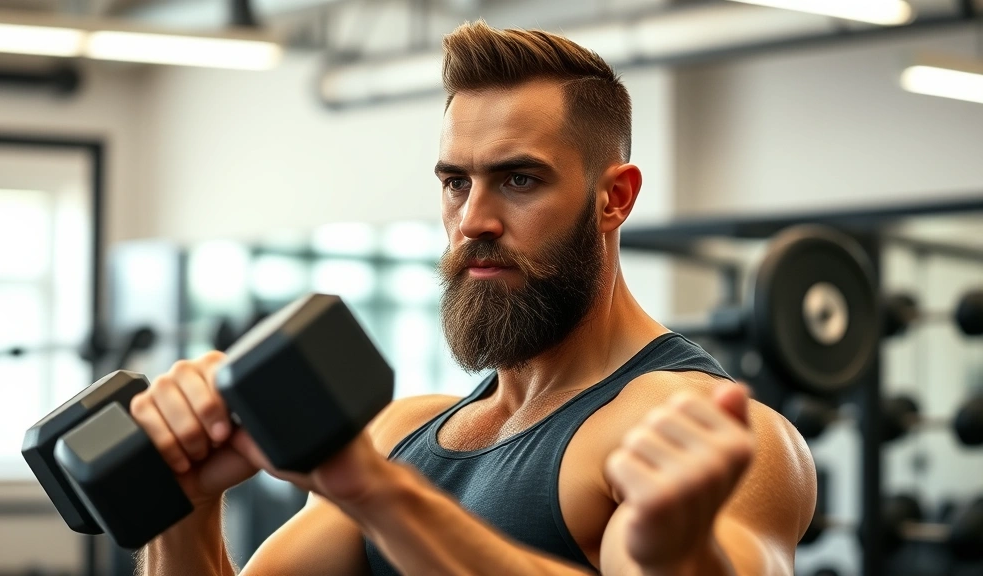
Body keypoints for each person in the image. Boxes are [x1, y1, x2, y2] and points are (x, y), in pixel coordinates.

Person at [132, 20, 816, 576]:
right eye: (456, 183)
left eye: (519, 181)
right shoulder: (397, 434)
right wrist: (184, 500)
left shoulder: (705, 428)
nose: (474, 220)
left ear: (614, 198)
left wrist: (683, 559)